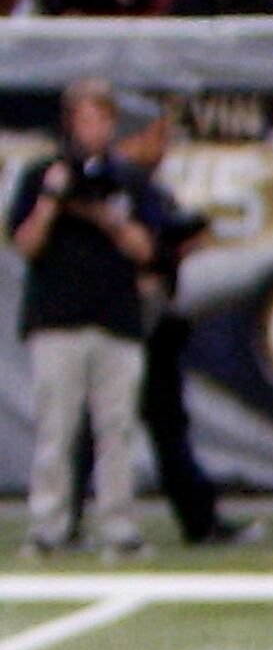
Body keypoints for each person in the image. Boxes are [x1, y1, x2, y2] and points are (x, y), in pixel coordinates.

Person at [12, 80, 163, 557]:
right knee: (56, 428)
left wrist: (108, 217)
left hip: (115, 320)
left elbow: (147, 251)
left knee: (116, 428)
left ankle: (118, 525)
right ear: (71, 123)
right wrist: (54, 200)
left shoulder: (129, 180)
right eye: (86, 119)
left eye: (103, 120)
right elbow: (26, 245)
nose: (95, 130)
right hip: (58, 319)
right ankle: (49, 525)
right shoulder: (40, 174)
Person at [112, 98, 254, 547]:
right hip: (117, 318)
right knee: (98, 424)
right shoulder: (114, 184)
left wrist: (181, 244)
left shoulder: (151, 188)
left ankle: (199, 518)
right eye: (157, 135)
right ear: (131, 139)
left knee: (165, 423)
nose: (165, 146)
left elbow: (168, 243)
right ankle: (71, 522)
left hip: (156, 318)